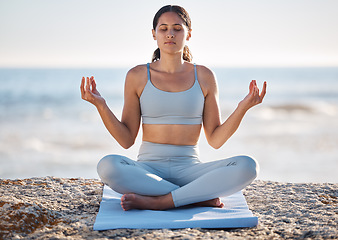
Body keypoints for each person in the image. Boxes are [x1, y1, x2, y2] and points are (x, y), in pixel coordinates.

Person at [80, 5, 267, 211]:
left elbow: (215, 139)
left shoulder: (204, 76)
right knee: (107, 165)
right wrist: (101, 105)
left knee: (249, 166)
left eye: (177, 28)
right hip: (148, 169)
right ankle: (193, 196)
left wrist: (243, 107)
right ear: (154, 34)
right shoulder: (137, 75)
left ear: (188, 34)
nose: (170, 34)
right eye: (164, 28)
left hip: (191, 169)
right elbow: (126, 140)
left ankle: (161, 201)